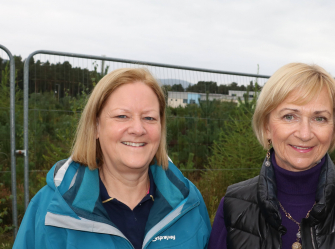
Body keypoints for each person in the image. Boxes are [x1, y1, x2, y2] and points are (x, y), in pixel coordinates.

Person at [14, 68, 211, 249]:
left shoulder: (189, 203)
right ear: (96, 126)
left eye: (149, 118)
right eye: (122, 116)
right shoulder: (51, 209)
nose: (137, 129)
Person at [208, 63, 335, 249]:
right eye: (289, 116)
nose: (305, 134)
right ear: (266, 127)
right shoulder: (233, 206)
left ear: (334, 129)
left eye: (319, 118)